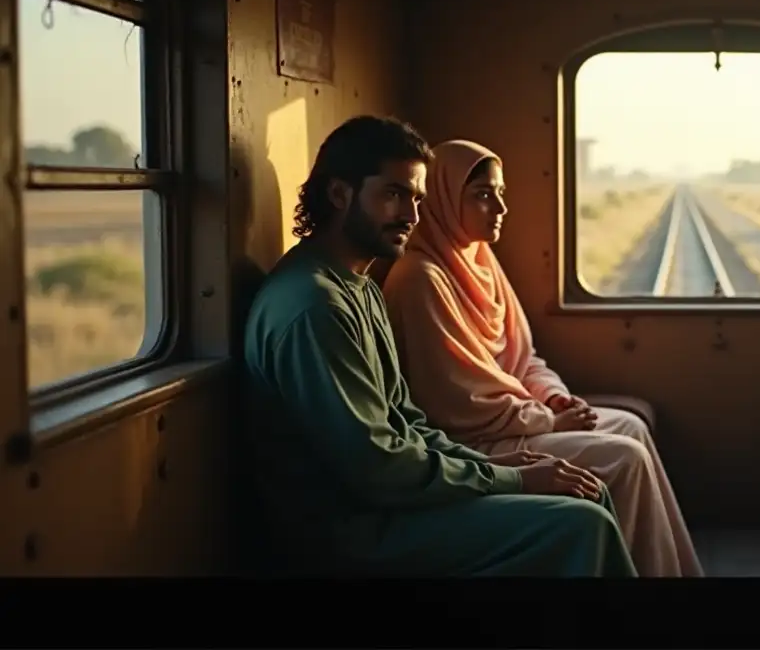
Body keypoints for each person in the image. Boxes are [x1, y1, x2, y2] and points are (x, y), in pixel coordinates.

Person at [240, 116, 637, 577]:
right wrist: (509, 478)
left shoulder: (360, 288)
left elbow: (408, 422)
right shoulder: (313, 307)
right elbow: (377, 467)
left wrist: (492, 462)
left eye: (417, 198)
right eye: (393, 194)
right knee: (580, 524)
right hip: (350, 529)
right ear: (338, 194)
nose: (411, 215)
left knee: (586, 491)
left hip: (389, 503)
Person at [380, 139, 703, 577]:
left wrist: (554, 399)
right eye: (481, 195)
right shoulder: (420, 280)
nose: (499, 207)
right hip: (476, 439)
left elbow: (522, 357)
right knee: (623, 459)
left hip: (516, 418)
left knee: (632, 426)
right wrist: (547, 422)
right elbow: (457, 401)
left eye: (500, 193)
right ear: (442, 201)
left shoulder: (478, 260)